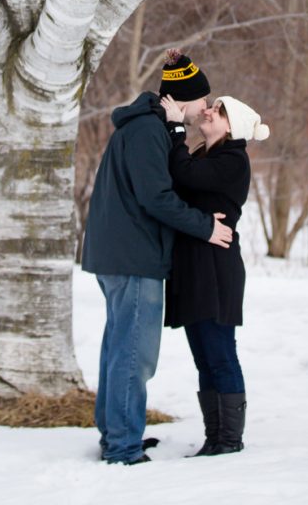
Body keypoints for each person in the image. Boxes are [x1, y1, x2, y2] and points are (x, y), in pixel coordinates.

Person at [81, 50, 233, 466]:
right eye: (203, 100)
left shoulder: (149, 126)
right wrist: (205, 226)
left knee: (118, 347)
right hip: (134, 255)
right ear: (185, 99)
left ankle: (116, 433)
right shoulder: (148, 130)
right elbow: (156, 196)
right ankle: (123, 447)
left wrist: (172, 132)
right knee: (134, 354)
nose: (207, 108)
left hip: (121, 252)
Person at [161, 93, 270, 456]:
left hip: (216, 268)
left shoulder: (233, 159)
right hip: (194, 267)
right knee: (203, 357)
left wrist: (176, 126)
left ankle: (229, 439)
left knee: (221, 354)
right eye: (211, 106)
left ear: (231, 125)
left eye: (218, 110)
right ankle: (214, 436)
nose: (208, 110)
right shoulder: (203, 154)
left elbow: (186, 176)